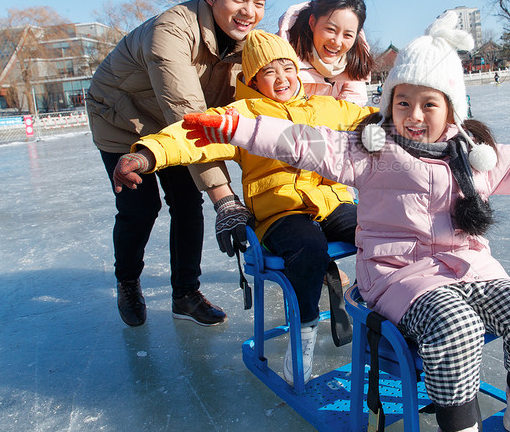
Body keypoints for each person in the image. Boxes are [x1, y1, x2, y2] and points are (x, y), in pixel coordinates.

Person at [177, 12, 510, 432]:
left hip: (468, 268)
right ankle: (457, 426)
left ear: (452, 108)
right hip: (395, 277)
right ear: (389, 104)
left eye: (428, 104)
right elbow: (299, 139)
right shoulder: (371, 152)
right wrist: (232, 125)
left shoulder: (479, 157)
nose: (413, 116)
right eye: (402, 102)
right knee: (455, 325)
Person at [111, 30, 376, 385]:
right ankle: (306, 331)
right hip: (280, 212)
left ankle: (379, 314)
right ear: (252, 78)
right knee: (309, 248)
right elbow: (192, 137)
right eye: (270, 72)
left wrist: (425, 123)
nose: (282, 78)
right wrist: (146, 156)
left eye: (287, 67)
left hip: (331, 201)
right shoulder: (242, 114)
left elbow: (373, 119)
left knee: (377, 231)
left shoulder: (323, 106)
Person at [86, 0, 274, 328]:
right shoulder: (171, 30)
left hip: (171, 120)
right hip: (120, 116)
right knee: (140, 208)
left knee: (187, 201)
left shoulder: (247, 42)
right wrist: (225, 200)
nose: (249, 12)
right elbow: (187, 113)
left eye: (259, 2)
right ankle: (127, 282)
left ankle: (185, 293)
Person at [277, 0, 374, 105]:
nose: (337, 42)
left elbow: (351, 112)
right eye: (330, 30)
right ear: (312, 22)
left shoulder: (356, 63)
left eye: (348, 35)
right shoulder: (279, 56)